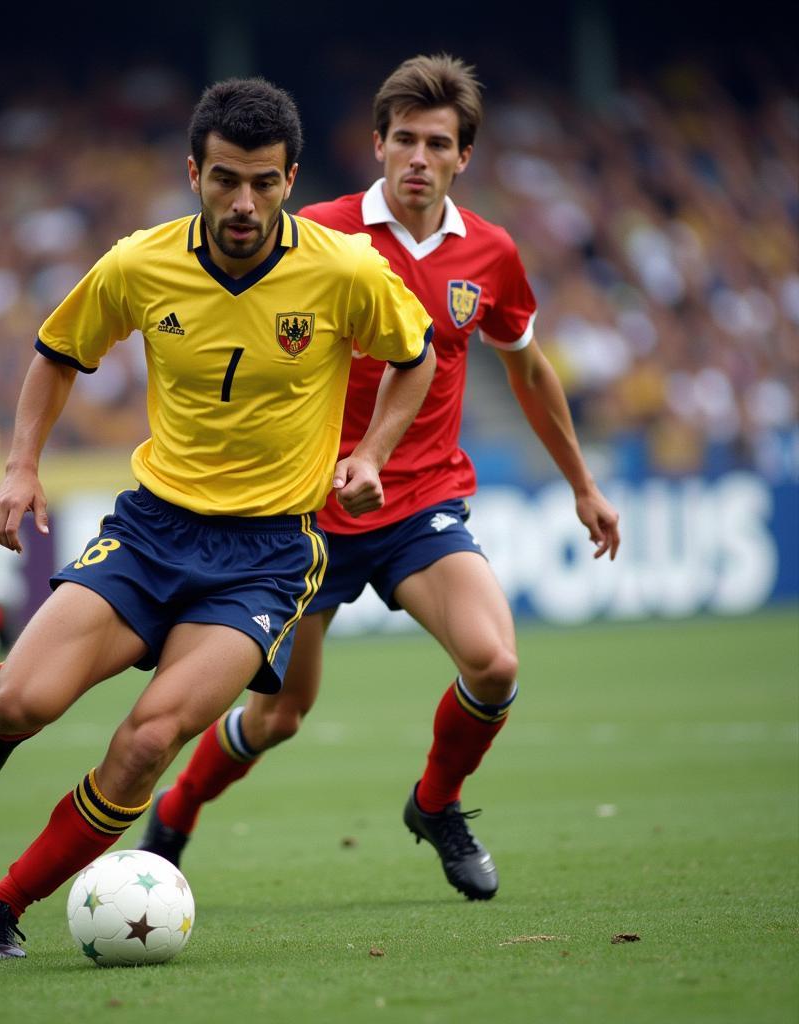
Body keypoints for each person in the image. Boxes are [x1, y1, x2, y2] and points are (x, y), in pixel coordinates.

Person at [0, 76, 437, 961]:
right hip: (149, 532)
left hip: (267, 557)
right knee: (23, 702)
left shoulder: (345, 269)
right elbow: (58, 352)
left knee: (149, 739)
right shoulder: (140, 263)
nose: (243, 203)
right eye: (223, 181)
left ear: (292, 177)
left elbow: (415, 354)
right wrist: (21, 464)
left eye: (264, 182)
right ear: (193, 173)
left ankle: (1, 906)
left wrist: (370, 454)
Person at [139, 54, 621, 901]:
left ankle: (437, 804)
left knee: (495, 663)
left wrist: (582, 484)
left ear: (463, 156)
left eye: (438, 143)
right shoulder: (316, 233)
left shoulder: (491, 254)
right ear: (377, 144)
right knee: (281, 715)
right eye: (404, 139)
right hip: (309, 519)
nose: (419, 158)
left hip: (420, 505)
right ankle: (178, 807)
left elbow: (531, 371)